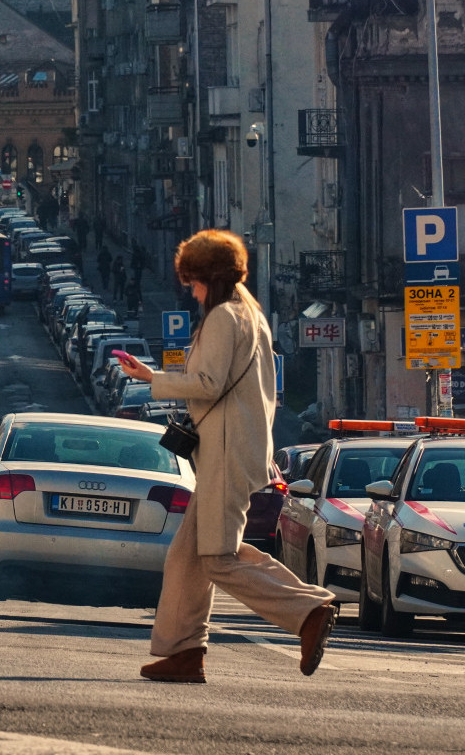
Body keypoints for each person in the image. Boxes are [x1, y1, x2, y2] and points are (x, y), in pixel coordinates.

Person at [115, 229, 336, 682]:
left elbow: (207, 385)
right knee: (187, 556)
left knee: (216, 556)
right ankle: (183, 652)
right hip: (238, 445)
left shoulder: (222, 317)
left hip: (226, 449)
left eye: (194, 282)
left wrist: (152, 378)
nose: (191, 291)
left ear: (210, 279)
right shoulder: (249, 312)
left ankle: (308, 610)